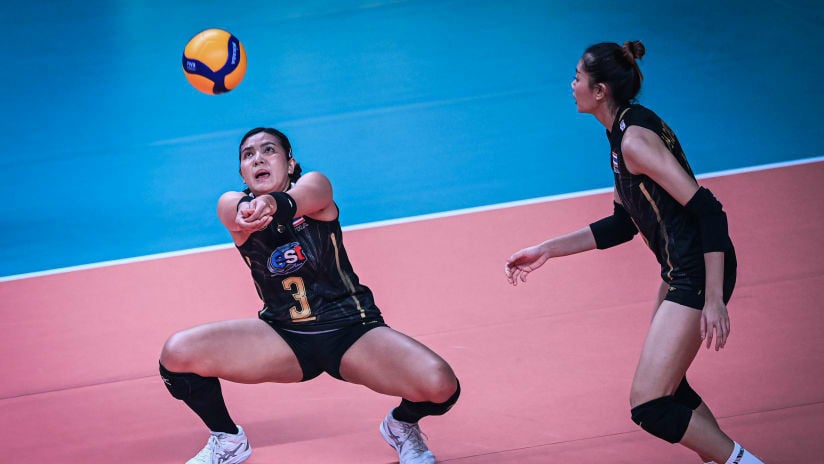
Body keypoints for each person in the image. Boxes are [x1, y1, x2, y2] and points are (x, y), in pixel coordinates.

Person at [504, 41, 764, 464]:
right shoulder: (621, 131)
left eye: (577, 77)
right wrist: (546, 250)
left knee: (650, 405)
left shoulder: (635, 143)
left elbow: (709, 211)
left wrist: (714, 299)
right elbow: (622, 224)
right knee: (670, 388)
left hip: (699, 270)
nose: (571, 85)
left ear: (600, 90)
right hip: (680, 270)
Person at [159, 127, 460, 464]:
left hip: (352, 330)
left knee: (441, 384)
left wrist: (271, 203)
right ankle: (228, 440)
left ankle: (401, 425)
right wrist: (249, 211)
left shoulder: (314, 187)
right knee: (177, 352)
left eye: (269, 150)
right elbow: (230, 209)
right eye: (248, 155)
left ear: (290, 164)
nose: (258, 158)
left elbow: (308, 195)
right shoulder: (234, 206)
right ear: (242, 173)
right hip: (283, 335)